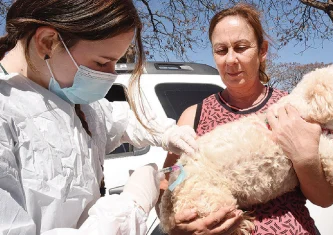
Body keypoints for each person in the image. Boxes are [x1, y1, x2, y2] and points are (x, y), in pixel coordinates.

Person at [0, 0, 198, 234]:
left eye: (116, 62)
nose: (111, 74)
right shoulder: (7, 108)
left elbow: (123, 120)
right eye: (102, 62)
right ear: (47, 42)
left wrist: (167, 132)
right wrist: (131, 206)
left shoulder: (77, 104)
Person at [157, 3, 333, 234]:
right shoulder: (193, 117)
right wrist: (178, 224)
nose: (231, 59)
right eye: (221, 50)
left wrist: (304, 158)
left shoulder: (293, 108)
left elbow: (325, 198)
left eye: (241, 47)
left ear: (262, 51)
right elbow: (170, 183)